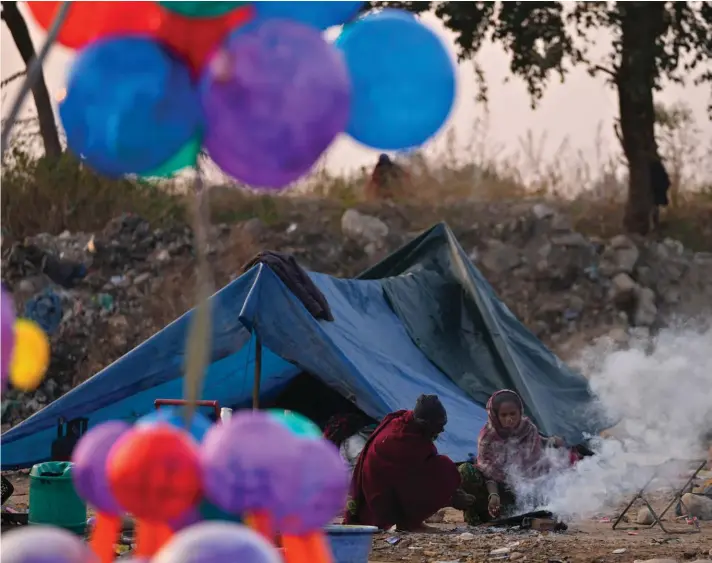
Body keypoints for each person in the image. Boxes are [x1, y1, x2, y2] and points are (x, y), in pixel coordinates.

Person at [344, 394, 474, 531]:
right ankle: (410, 523)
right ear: (424, 423)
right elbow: (411, 480)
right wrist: (452, 497)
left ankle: (411, 520)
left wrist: (455, 491)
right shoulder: (403, 440)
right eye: (439, 426)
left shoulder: (407, 424)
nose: (441, 430)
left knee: (440, 467)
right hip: (379, 495)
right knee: (444, 468)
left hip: (386, 485)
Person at [458, 389, 566, 525]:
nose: (509, 419)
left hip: (519, 491)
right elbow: (487, 470)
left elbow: (533, 468)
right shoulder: (488, 436)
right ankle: (475, 519)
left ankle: (506, 516)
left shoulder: (529, 430)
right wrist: (494, 494)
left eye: (513, 414)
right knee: (466, 471)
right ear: (495, 416)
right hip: (491, 491)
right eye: (503, 415)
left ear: (520, 412)